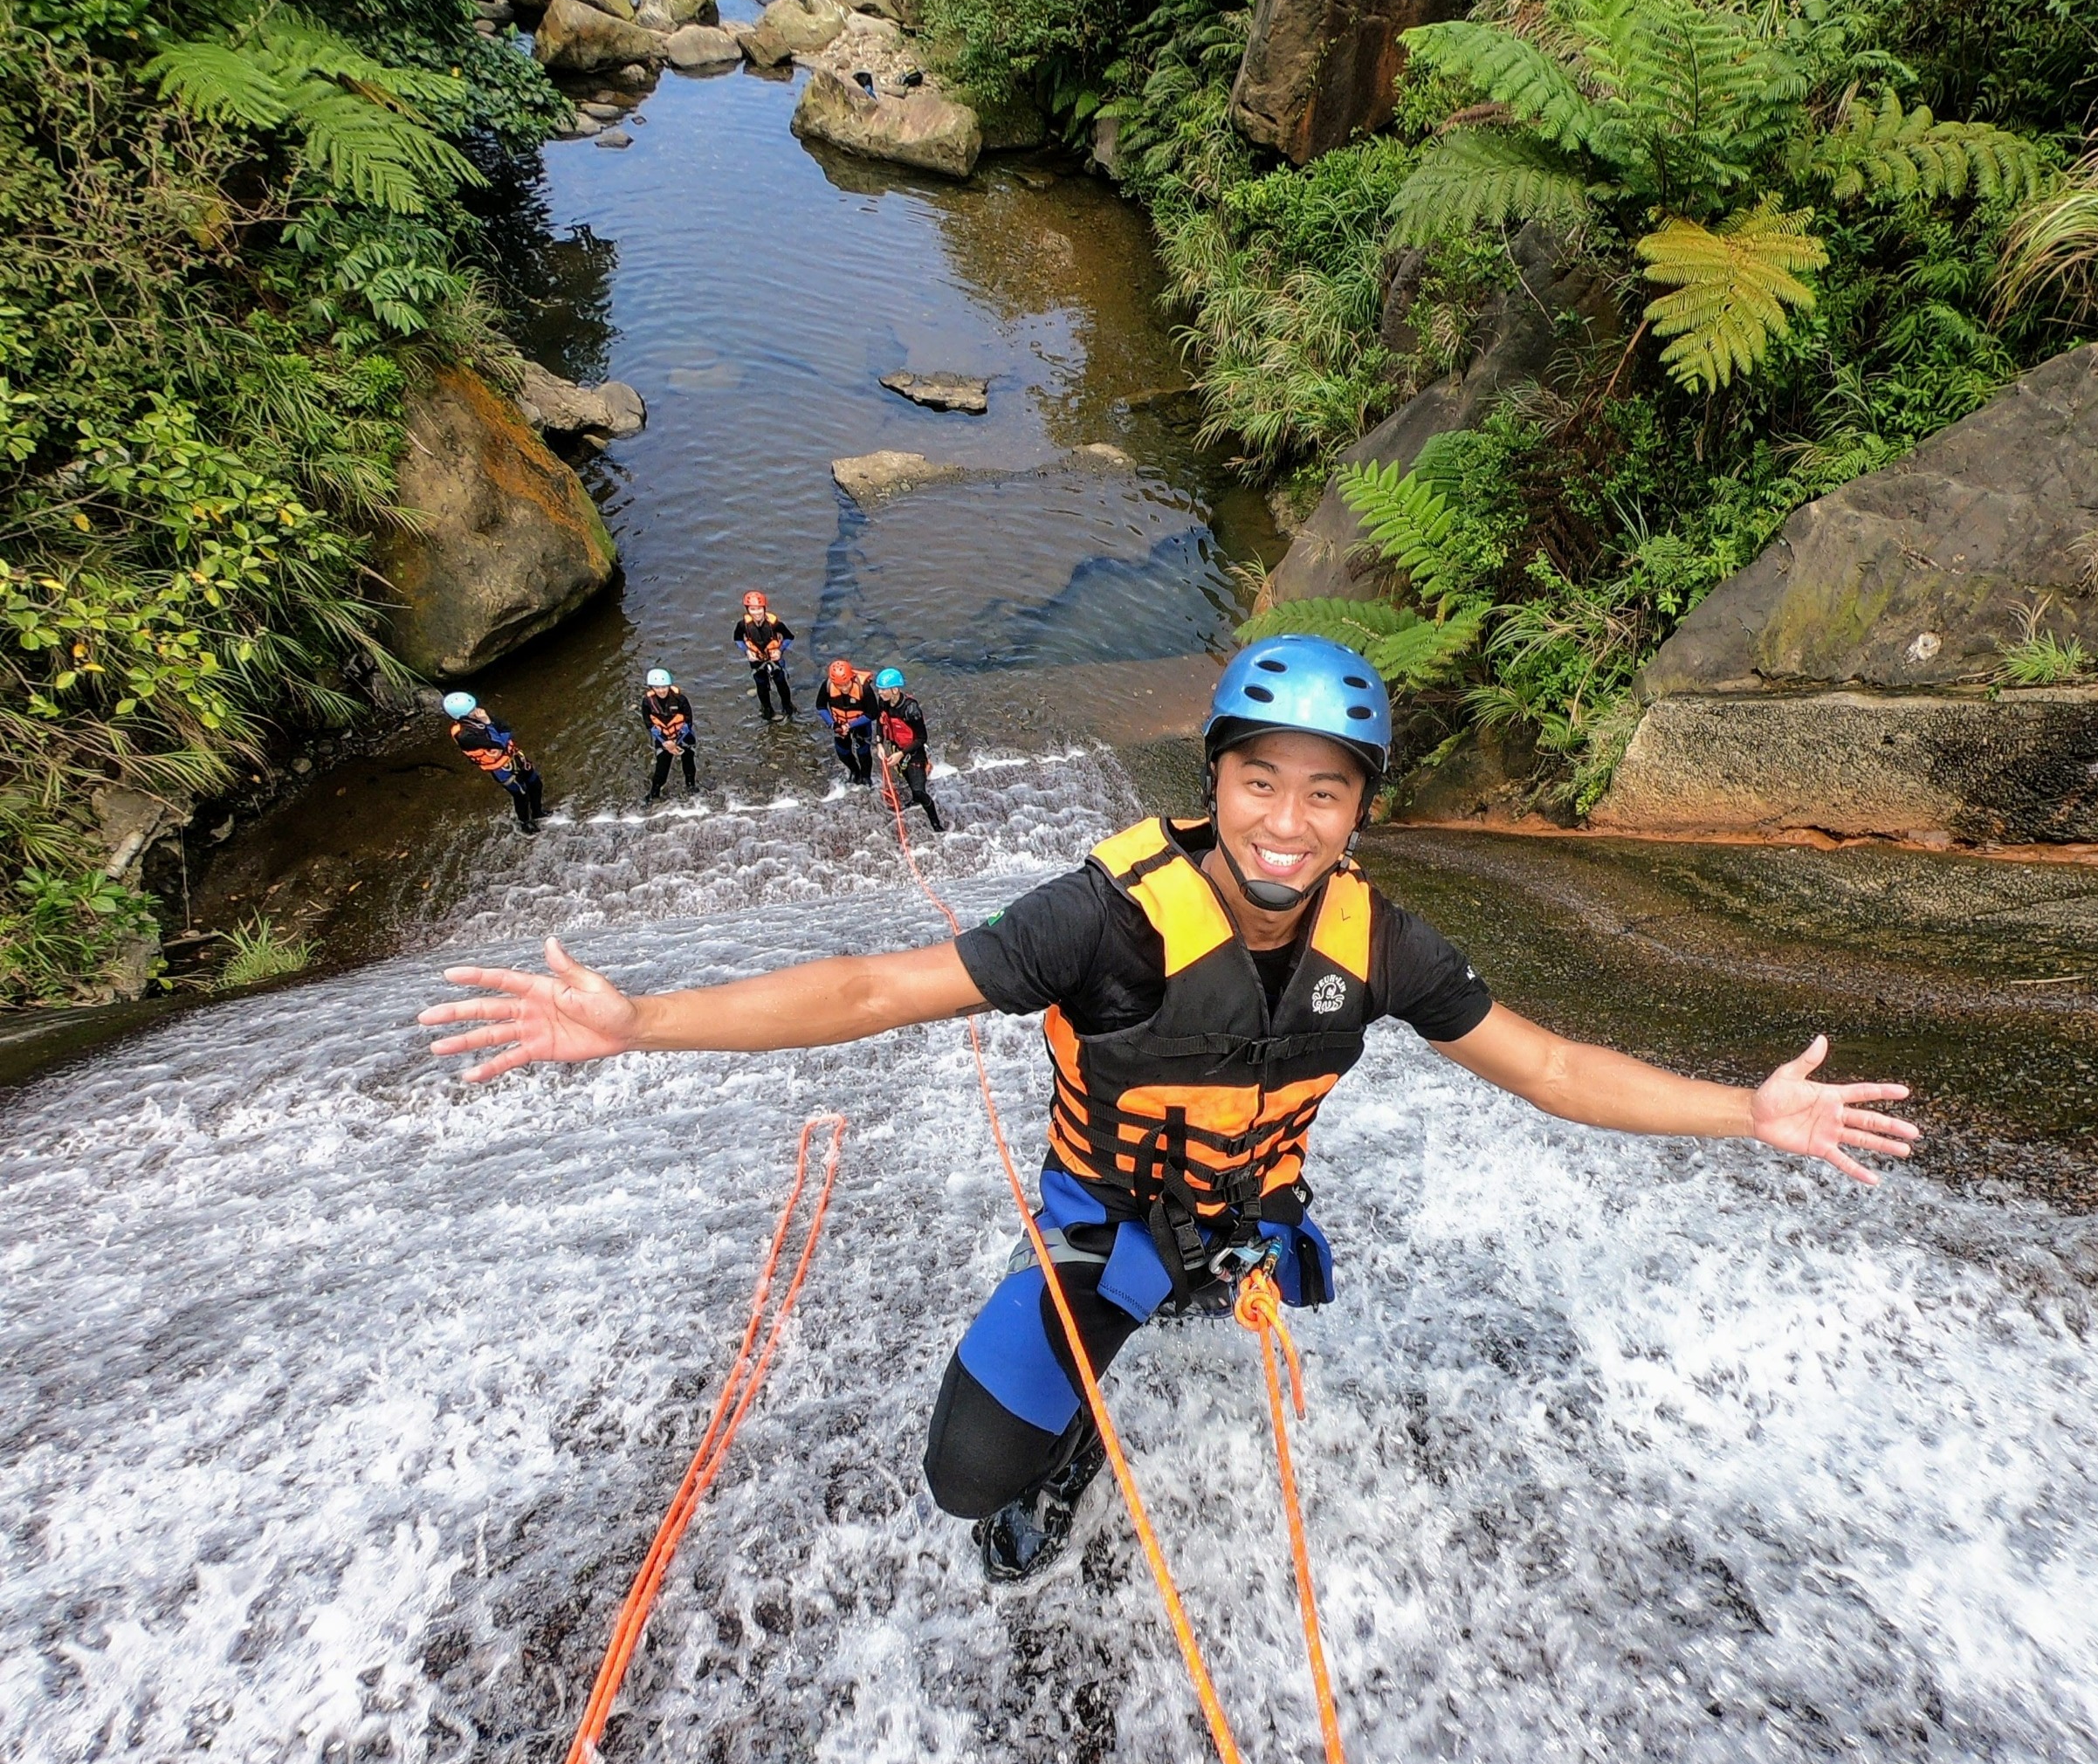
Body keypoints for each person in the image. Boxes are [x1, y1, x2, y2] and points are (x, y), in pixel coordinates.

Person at [419, 636, 1918, 1582]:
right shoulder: (1102, 921)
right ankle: (1073, 1438)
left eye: (1324, 794)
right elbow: (878, 988)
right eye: (1259, 780)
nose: (1286, 820)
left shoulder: (1380, 945)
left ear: (1358, 812)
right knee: (968, 1481)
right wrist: (642, 1025)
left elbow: (1550, 1067)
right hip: (1103, 1227)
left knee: (1220, 1274)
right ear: (1214, 782)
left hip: (1251, 1222)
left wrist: (1747, 1111)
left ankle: (1208, 1291)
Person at [444, 690, 546, 834]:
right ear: (462, 717)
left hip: (515, 757)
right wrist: (488, 724)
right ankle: (525, 823)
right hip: (502, 770)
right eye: (471, 710)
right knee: (521, 795)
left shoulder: (480, 716)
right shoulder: (464, 736)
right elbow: (498, 743)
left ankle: (538, 812)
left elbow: (506, 729)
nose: (476, 711)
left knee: (535, 784)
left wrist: (494, 733)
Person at [870, 666, 945, 833]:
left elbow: (922, 738)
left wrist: (901, 754)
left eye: (883, 689)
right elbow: (881, 722)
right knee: (909, 781)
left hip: (914, 752)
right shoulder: (883, 702)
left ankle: (936, 824)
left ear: (895, 690)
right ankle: (914, 799)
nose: (880, 692)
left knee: (919, 790)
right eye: (879, 689)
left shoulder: (912, 710)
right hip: (897, 748)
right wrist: (880, 744)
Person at [735, 591, 795, 722]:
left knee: (781, 684)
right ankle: (767, 711)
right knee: (762, 686)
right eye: (753, 609)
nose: (756, 613)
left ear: (764, 608)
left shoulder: (775, 624)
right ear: (748, 610)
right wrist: (747, 651)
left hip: (775, 659)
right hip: (757, 661)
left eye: (759, 609)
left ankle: (788, 708)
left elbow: (789, 637)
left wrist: (780, 650)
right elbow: (738, 639)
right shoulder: (742, 626)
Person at [816, 659, 875, 785]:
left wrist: (850, 725)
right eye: (839, 685)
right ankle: (855, 771)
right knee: (843, 752)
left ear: (852, 677)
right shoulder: (827, 686)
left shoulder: (864, 688)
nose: (844, 688)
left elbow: (872, 713)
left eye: (846, 684)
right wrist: (833, 724)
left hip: (861, 724)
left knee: (863, 752)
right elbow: (821, 707)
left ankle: (866, 777)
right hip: (839, 724)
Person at [643, 669, 698, 800]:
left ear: (669, 686)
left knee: (689, 763)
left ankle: (691, 786)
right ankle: (654, 793)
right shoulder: (647, 702)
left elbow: (688, 722)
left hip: (683, 737)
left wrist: (676, 742)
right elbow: (649, 724)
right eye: (657, 687)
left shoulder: (680, 699)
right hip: (663, 739)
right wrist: (665, 742)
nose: (661, 691)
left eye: (664, 687)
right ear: (652, 688)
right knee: (661, 768)